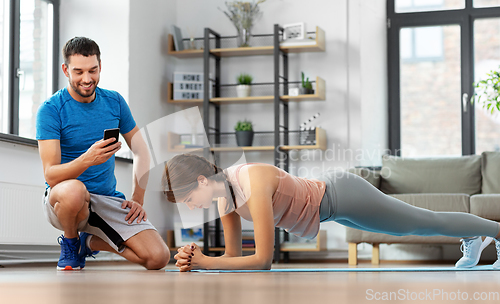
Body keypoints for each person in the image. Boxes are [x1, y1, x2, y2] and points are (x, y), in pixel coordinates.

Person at [163, 154, 500, 271]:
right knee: (409, 228)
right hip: (332, 210)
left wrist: (207, 262)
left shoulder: (252, 179)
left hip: (343, 193)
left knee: (423, 223)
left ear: (202, 179)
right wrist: (199, 259)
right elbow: (234, 258)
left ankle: (495, 231)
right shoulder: (225, 203)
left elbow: (263, 260)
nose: (190, 207)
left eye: (187, 197)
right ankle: (473, 235)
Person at [36, 37, 169, 270]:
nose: (87, 79)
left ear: (100, 67)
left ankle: (87, 243)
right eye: (78, 72)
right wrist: (88, 159)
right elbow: (51, 176)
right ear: (66, 70)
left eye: (93, 70)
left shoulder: (115, 101)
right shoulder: (51, 109)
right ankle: (70, 240)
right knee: (75, 190)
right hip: (66, 199)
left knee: (159, 258)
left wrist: (137, 198)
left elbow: (141, 150)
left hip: (107, 199)